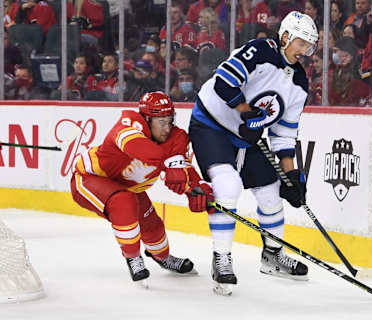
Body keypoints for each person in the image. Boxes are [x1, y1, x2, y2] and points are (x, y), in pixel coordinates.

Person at [188, 11, 317, 295]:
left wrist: (291, 174)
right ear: (284, 37)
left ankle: (272, 256)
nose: (305, 50)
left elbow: (283, 133)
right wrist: (245, 112)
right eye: (301, 42)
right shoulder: (260, 50)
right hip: (212, 124)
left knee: (272, 191)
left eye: (309, 45)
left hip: (247, 138)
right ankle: (221, 258)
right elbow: (224, 81)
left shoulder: (299, 83)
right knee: (228, 186)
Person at [70, 91, 214, 282]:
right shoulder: (128, 125)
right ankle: (133, 257)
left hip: (128, 187)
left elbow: (185, 170)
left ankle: (162, 258)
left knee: (152, 225)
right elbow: (141, 149)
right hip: (90, 178)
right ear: (146, 119)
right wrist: (171, 164)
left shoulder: (177, 137)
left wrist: (195, 189)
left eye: (170, 120)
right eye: (160, 121)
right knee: (124, 202)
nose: (167, 127)